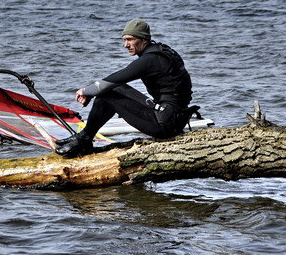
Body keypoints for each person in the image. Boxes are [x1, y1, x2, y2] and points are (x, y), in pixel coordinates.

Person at [56, 18, 194, 158]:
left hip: (165, 124)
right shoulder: (162, 51)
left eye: (130, 39)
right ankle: (84, 137)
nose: (125, 45)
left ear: (143, 39)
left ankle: (84, 139)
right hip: (174, 117)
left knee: (107, 94)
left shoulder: (149, 60)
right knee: (115, 88)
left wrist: (86, 91)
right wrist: (92, 93)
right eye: (124, 40)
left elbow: (116, 78)